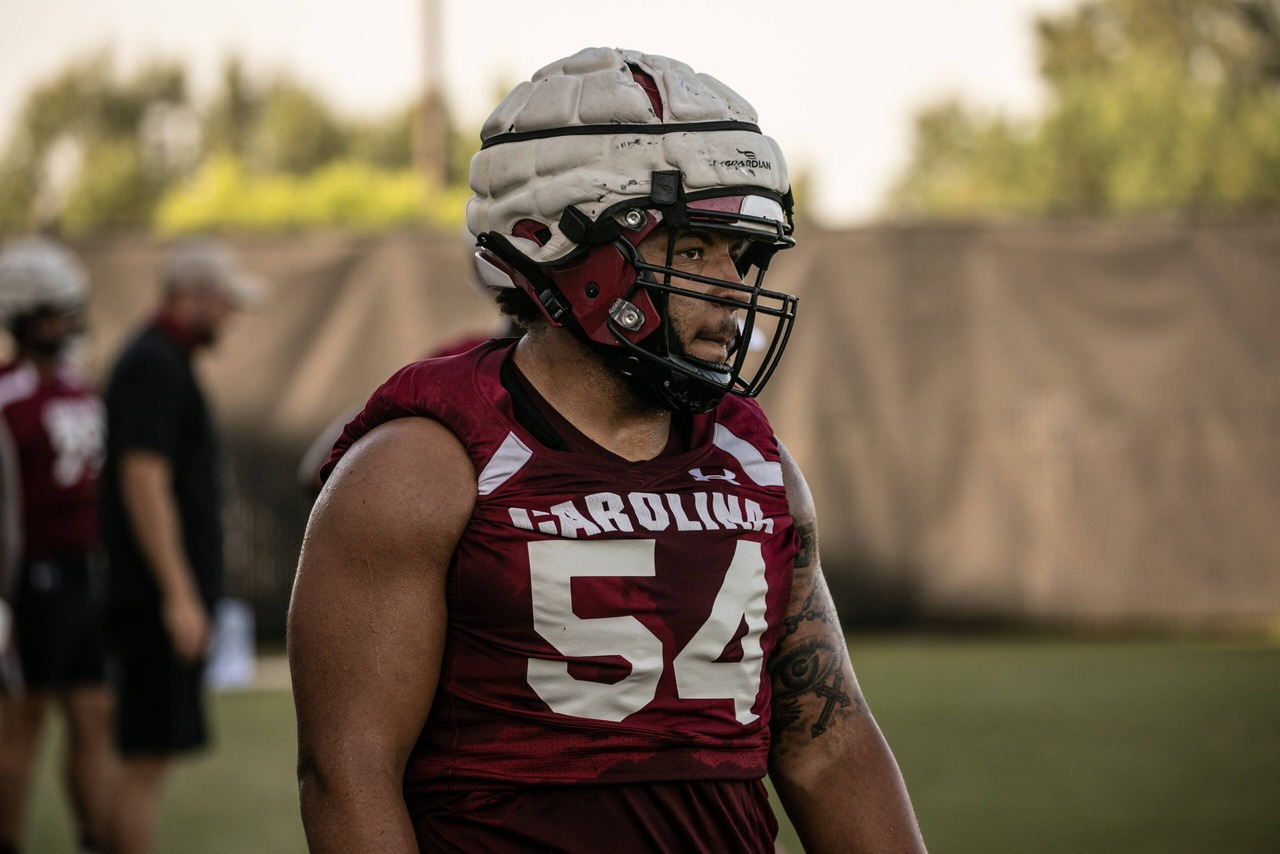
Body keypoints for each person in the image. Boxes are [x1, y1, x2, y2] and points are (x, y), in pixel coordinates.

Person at [289, 48, 927, 853]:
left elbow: (827, 745)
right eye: (693, 250)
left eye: (742, 254)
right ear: (561, 247)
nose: (733, 289)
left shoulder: (756, 467)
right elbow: (347, 774)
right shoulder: (424, 469)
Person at [99, 238, 258, 854]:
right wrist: (178, 595)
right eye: (223, 302)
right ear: (189, 297)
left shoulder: (163, 359)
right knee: (141, 764)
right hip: (149, 599)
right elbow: (142, 479)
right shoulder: (155, 363)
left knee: (142, 760)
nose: (230, 315)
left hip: (151, 595)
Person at [0, 238, 115, 854]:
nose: (67, 323)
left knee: (93, 716)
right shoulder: (8, 395)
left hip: (82, 573)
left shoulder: (77, 384)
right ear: (22, 316)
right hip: (32, 577)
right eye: (53, 311)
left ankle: (94, 838)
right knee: (25, 720)